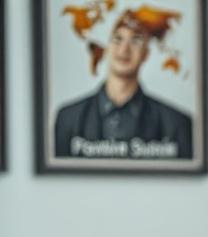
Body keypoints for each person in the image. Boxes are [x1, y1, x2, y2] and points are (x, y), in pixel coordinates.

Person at [54, 10, 192, 160]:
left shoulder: (176, 123)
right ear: (105, 47)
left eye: (135, 40)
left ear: (146, 54)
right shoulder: (68, 118)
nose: (124, 49)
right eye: (117, 39)